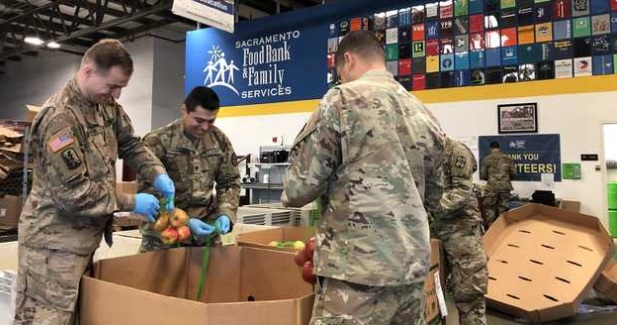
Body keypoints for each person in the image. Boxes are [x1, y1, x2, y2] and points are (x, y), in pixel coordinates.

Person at [282, 30, 445, 325]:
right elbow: (434, 198)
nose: (341, 79)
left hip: (354, 278)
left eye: (339, 73)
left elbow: (297, 188)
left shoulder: (341, 100)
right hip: (410, 274)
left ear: (348, 59)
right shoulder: (424, 114)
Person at [13, 39, 175, 325]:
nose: (117, 94)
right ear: (88, 70)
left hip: (81, 242)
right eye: (112, 86)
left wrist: (157, 172)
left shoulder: (106, 105)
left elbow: (130, 144)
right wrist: (131, 201)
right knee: (43, 321)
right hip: (52, 247)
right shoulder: (60, 118)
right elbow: (73, 193)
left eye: (121, 87)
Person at [138, 86, 240, 252]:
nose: (205, 127)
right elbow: (149, 193)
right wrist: (185, 222)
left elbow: (230, 182)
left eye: (211, 121)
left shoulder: (220, 141)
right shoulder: (158, 141)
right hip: (164, 234)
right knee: (159, 278)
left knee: (213, 277)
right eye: (199, 120)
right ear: (184, 110)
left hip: (205, 232)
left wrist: (226, 213)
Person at [430, 138, 488, 325]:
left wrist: (429, 210)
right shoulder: (422, 151)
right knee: (432, 288)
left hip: (461, 230)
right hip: (434, 230)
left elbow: (462, 191)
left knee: (468, 291)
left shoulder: (456, 150)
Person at [480, 141, 516, 229]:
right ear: (499, 148)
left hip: (491, 188)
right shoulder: (508, 159)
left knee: (490, 209)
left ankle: (491, 231)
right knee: (503, 209)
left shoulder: (486, 159)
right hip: (505, 187)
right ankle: (503, 229)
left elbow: (483, 175)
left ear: (491, 148)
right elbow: (514, 174)